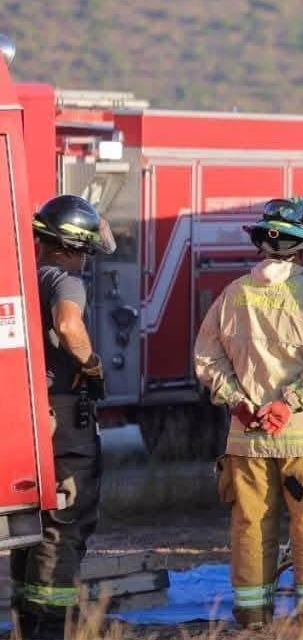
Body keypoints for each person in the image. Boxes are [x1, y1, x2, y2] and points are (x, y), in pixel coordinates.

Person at [193, 197, 303, 628]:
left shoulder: (232, 295)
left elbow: (206, 360)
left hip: (246, 439)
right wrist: (288, 404)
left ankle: (253, 616)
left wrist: (238, 401)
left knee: (251, 525)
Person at [11, 195, 113, 640]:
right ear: (72, 246)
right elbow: (70, 325)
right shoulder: (65, 280)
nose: (87, 257)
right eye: (85, 248)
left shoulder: (21, 275)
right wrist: (91, 365)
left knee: (28, 527)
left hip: (28, 415)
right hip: (66, 421)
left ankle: (25, 622)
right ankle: (50, 628)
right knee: (64, 526)